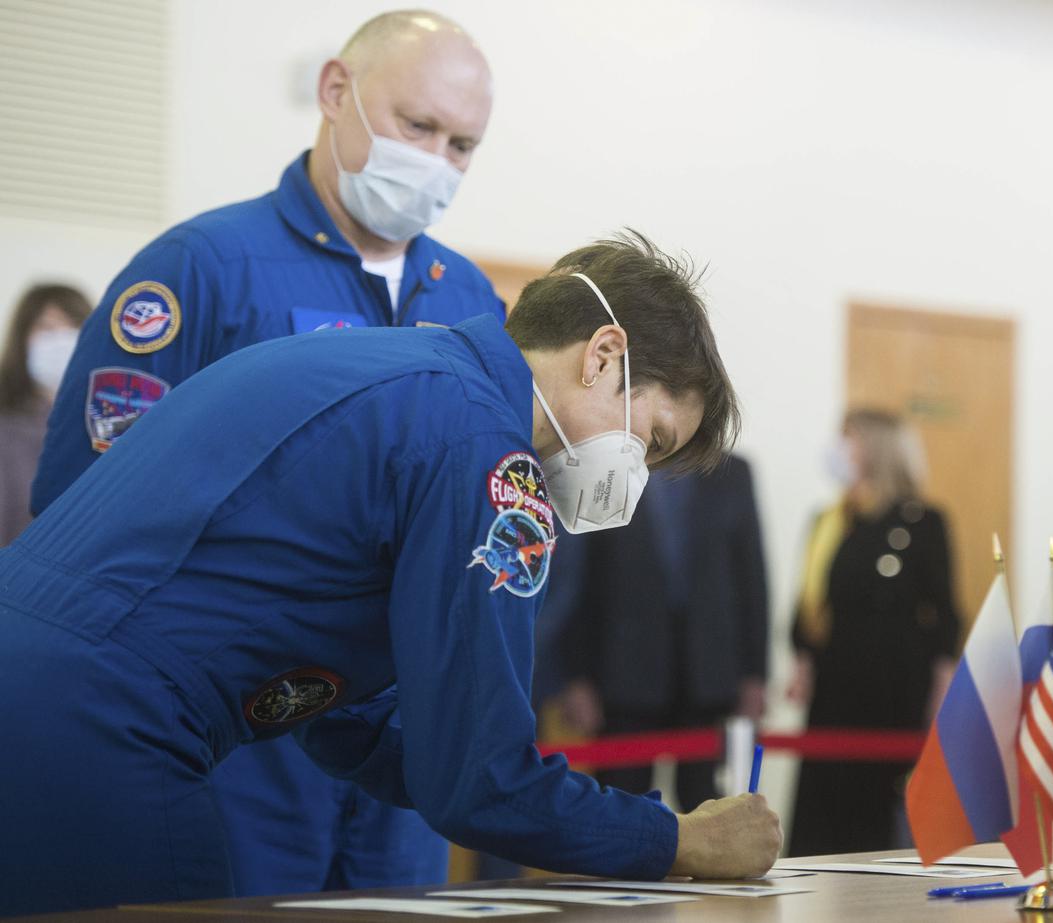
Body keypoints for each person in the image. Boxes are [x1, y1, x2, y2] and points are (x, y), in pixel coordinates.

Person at [0, 234, 782, 917]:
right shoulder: (485, 447)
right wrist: (680, 837)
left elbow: (353, 718)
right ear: (604, 356)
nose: (634, 478)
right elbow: (481, 780)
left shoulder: (403, 373)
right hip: (112, 721)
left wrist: (468, 757)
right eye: (648, 439)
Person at [30, 10, 505, 894]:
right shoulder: (202, 269)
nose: (437, 161)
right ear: (337, 92)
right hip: (233, 746)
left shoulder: (472, 305)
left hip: (401, 765)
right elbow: (80, 516)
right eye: (418, 125)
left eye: (463, 143)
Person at [786, 409, 959, 856]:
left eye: (849, 440)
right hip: (834, 688)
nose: (838, 451)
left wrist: (942, 692)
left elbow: (944, 616)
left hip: (894, 688)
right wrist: (801, 660)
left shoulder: (923, 522)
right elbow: (811, 605)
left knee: (878, 819)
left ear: (877, 450)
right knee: (825, 816)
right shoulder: (831, 522)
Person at [554, 455, 769, 810]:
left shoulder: (731, 473)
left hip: (709, 677)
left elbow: (751, 576)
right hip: (622, 680)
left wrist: (755, 675)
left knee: (710, 813)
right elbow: (579, 580)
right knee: (619, 812)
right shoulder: (606, 468)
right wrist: (576, 676)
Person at [0, 284, 90, 545]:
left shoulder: (108, 424)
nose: (60, 339)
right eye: (46, 328)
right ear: (22, 338)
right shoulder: (6, 426)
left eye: (72, 326)